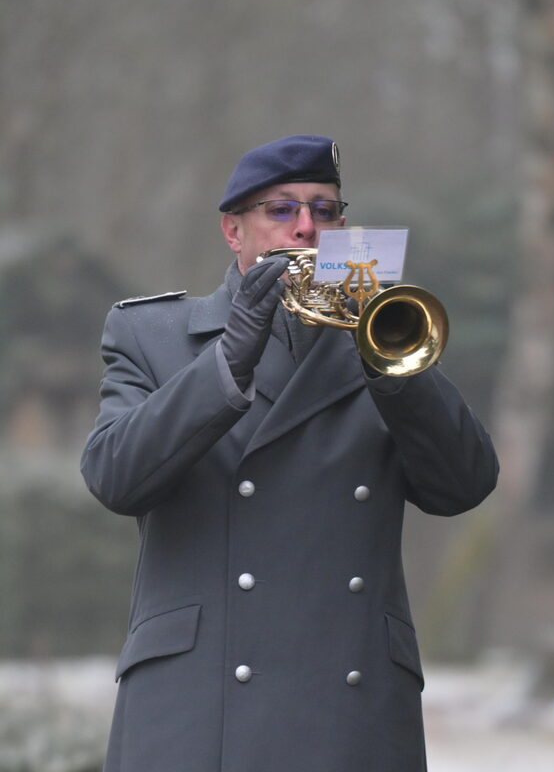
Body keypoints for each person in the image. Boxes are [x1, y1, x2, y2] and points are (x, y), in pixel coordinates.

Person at [80, 134, 499, 772]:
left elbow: (464, 484)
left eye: (324, 211)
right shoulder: (152, 335)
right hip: (198, 707)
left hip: (350, 714)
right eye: (281, 210)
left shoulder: (383, 336)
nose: (306, 227)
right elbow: (114, 477)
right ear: (233, 231)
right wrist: (227, 361)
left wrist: (391, 371)